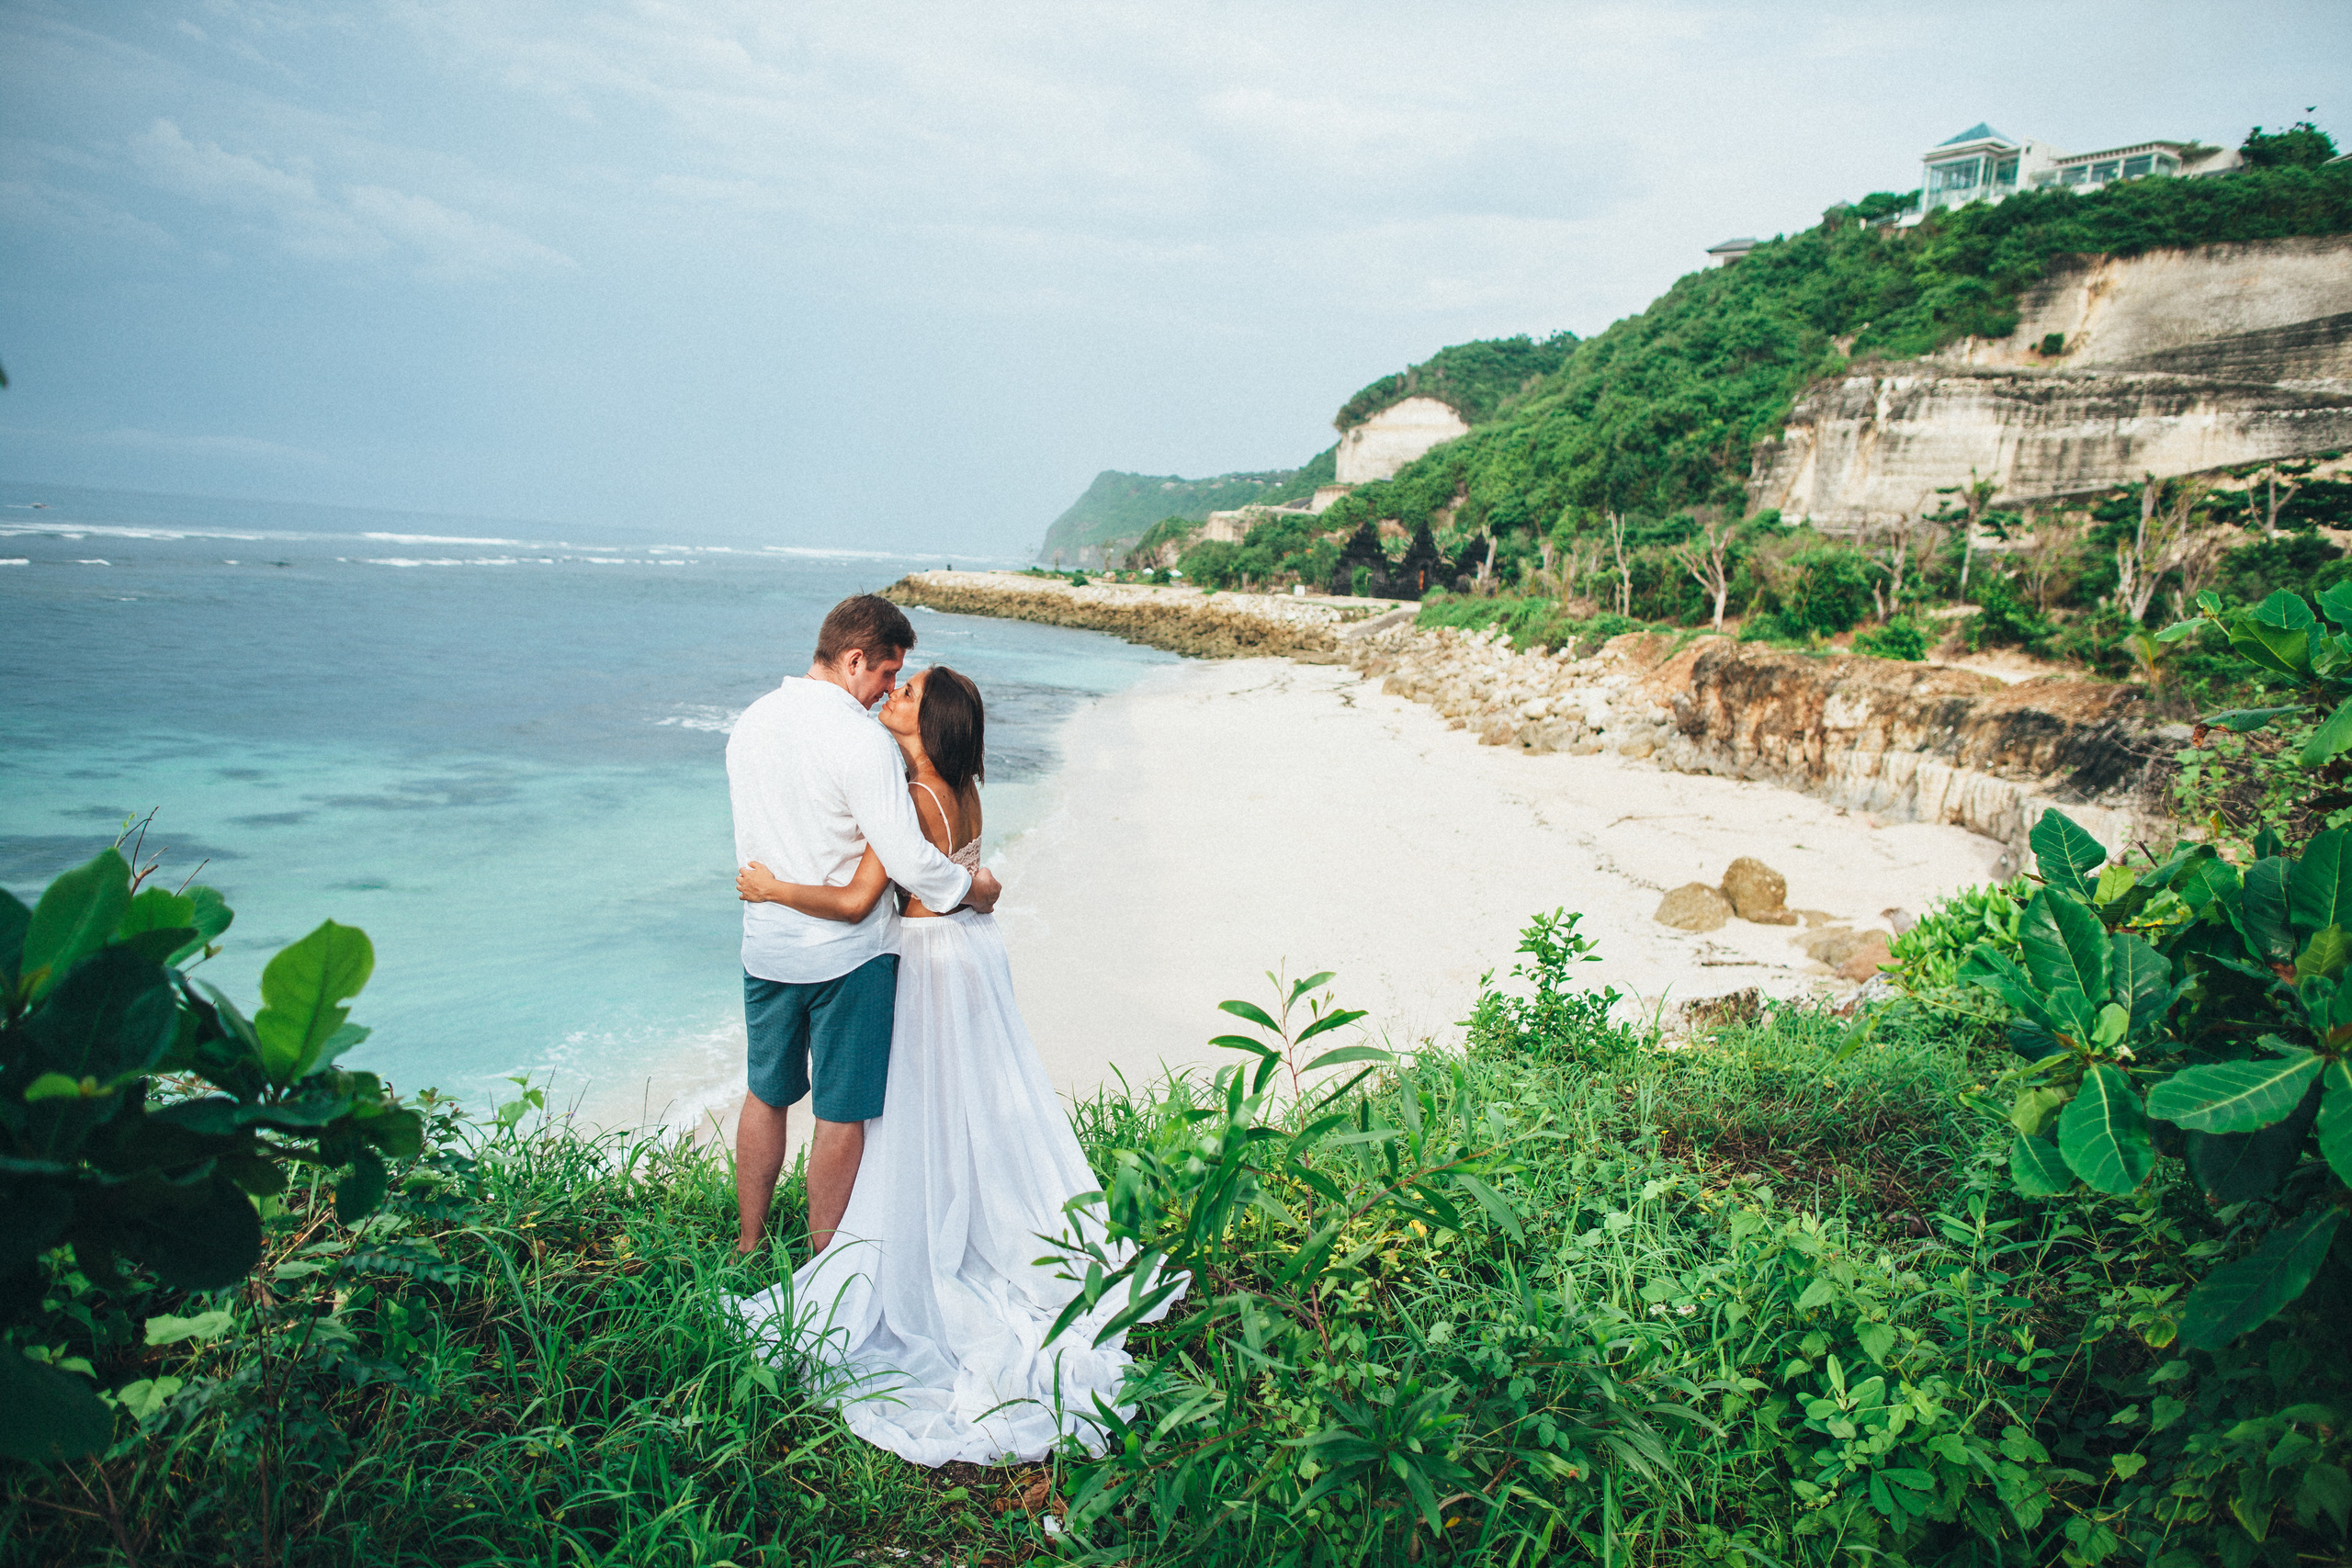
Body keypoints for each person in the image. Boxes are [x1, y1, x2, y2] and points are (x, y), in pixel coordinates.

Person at [733, 663, 1182, 1466]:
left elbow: (861, 896)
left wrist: (771, 886)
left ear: (928, 722)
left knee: (921, 1107)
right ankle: (973, 1208)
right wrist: (976, 887)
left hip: (932, 959)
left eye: (905, 695)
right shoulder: (963, 787)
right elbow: (971, 880)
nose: (889, 698)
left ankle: (910, 1227)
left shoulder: (909, 798)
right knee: (979, 1093)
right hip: (974, 953)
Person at [724, 594, 1002, 1261]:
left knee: (765, 1097)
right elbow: (909, 858)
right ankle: (827, 1263)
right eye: (885, 674)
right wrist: (973, 888)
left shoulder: (751, 722)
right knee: (839, 1116)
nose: (884, 693)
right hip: (850, 960)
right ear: (854, 660)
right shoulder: (863, 741)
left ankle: (747, 1244)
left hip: (768, 949)